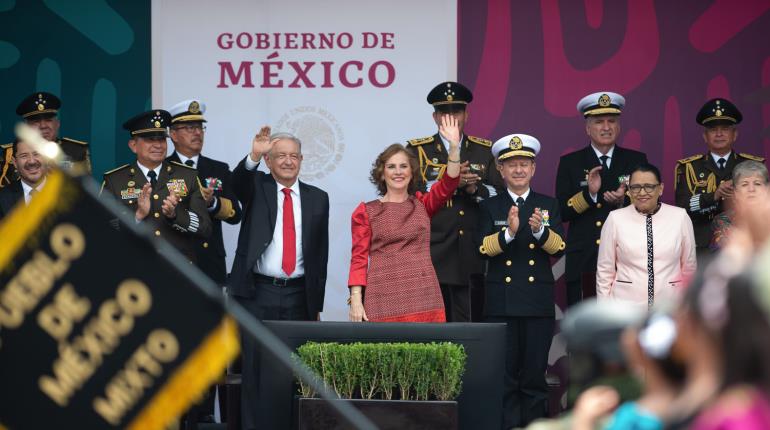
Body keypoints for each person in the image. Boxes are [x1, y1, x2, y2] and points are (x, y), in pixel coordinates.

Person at [229, 126, 329, 430]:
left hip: (299, 294)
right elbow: (237, 185)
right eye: (280, 156)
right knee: (256, 372)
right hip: (258, 293)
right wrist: (253, 156)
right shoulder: (257, 186)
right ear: (269, 162)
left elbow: (319, 256)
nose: (288, 161)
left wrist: (316, 305)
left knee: (296, 371)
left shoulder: (318, 198)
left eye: (293, 156)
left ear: (301, 160)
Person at [477, 133, 565, 428]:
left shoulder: (548, 204)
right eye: (511, 164)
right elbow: (483, 249)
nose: (518, 169)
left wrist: (540, 232)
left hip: (536, 305)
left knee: (533, 379)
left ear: (534, 169)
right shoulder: (490, 206)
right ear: (500, 170)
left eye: (524, 163)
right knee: (505, 380)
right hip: (501, 304)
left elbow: (559, 248)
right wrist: (510, 233)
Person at [405, 81, 504, 321]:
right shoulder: (418, 150)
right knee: (432, 327)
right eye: (445, 113)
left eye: (456, 112)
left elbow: (500, 196)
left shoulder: (484, 150)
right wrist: (448, 183)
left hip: (471, 251)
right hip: (432, 250)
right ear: (435, 116)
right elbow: (409, 195)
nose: (451, 118)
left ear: (466, 115)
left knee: (469, 324)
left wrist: (474, 188)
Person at [348, 115, 461, 322]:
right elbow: (359, 259)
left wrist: (454, 147)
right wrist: (356, 299)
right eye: (391, 167)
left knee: (428, 353)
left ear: (412, 172)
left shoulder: (423, 204)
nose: (398, 172)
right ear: (382, 174)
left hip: (424, 296)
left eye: (403, 166)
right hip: (382, 298)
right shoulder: (366, 212)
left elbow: (449, 183)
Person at [555, 91, 647, 306]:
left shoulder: (636, 160)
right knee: (585, 329)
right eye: (599, 122)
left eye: (611, 121)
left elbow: (650, 205)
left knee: (625, 329)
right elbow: (562, 211)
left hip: (626, 258)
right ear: (588, 128)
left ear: (619, 126)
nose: (606, 127)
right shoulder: (571, 162)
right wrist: (590, 194)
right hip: (585, 257)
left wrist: (623, 202)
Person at [100, 110, 211, 262]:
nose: (158, 145)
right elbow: (101, 230)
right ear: (133, 145)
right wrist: (136, 216)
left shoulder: (187, 176)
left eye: (161, 139)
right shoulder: (115, 180)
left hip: (179, 271)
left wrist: (175, 215)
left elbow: (205, 229)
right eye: (150, 139)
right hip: (134, 271)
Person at [596, 163, 696, 311]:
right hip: (625, 307)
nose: (642, 193)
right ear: (629, 190)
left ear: (660, 188)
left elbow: (689, 267)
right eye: (635, 187)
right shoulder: (615, 218)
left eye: (649, 186)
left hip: (671, 307)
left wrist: (689, 309)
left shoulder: (679, 216)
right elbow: (605, 271)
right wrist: (604, 312)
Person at [675, 98, 765, 258]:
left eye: (725, 129)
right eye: (713, 129)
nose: (719, 134)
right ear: (705, 136)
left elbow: (764, 204)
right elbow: (681, 208)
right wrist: (713, 196)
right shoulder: (690, 167)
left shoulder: (752, 166)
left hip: (746, 243)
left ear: (735, 134)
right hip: (702, 245)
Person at [166, 99, 242, 285]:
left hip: (209, 265)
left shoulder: (218, 169)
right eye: (190, 128)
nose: (198, 132)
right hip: (172, 263)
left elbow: (236, 215)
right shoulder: (162, 169)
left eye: (200, 127)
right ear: (174, 135)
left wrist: (212, 203)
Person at [1, 92, 90, 187]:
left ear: (57, 124)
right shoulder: (11, 153)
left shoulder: (76, 151)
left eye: (48, 120)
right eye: (36, 121)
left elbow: (86, 192)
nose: (43, 126)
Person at [709, 160, 770, 250]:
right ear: (735, 192)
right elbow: (727, 256)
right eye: (744, 184)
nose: (751, 189)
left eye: (757, 184)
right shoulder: (723, 221)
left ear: (767, 189)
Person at [0, 139, 50, 220]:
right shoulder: (2, 198)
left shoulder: (70, 195)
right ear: (15, 162)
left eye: (36, 154)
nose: (31, 161)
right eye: (24, 156)